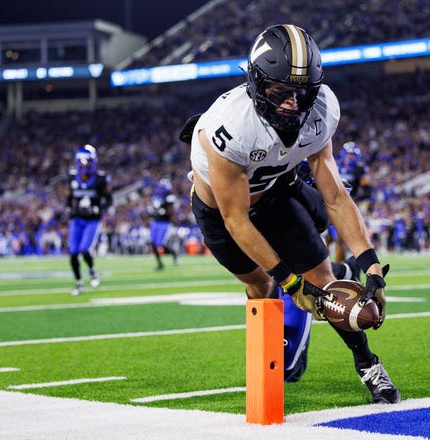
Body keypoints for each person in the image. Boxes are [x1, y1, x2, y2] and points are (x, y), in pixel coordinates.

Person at [185, 24, 400, 403]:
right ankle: (269, 358)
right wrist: (290, 283)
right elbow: (236, 220)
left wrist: (370, 263)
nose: (292, 104)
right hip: (223, 213)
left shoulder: (321, 110)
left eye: (302, 93)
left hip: (278, 194)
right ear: (256, 82)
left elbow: (335, 195)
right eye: (280, 92)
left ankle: (367, 363)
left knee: (324, 281)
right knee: (263, 288)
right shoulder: (228, 128)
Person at [66, 145, 112, 296]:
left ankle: (92, 271)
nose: (84, 164)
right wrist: (68, 209)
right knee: (73, 253)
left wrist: (99, 208)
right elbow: (69, 197)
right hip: (77, 219)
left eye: (87, 161)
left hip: (92, 220)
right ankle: (79, 282)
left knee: (85, 250)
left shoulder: (100, 179)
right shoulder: (72, 177)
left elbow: (108, 200)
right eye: (82, 161)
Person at [149, 178, 179, 270]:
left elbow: (171, 210)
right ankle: (160, 264)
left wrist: (164, 211)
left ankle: (173, 253)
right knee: (152, 243)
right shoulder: (156, 196)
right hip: (156, 221)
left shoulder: (169, 196)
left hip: (164, 222)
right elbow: (154, 206)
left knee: (160, 244)